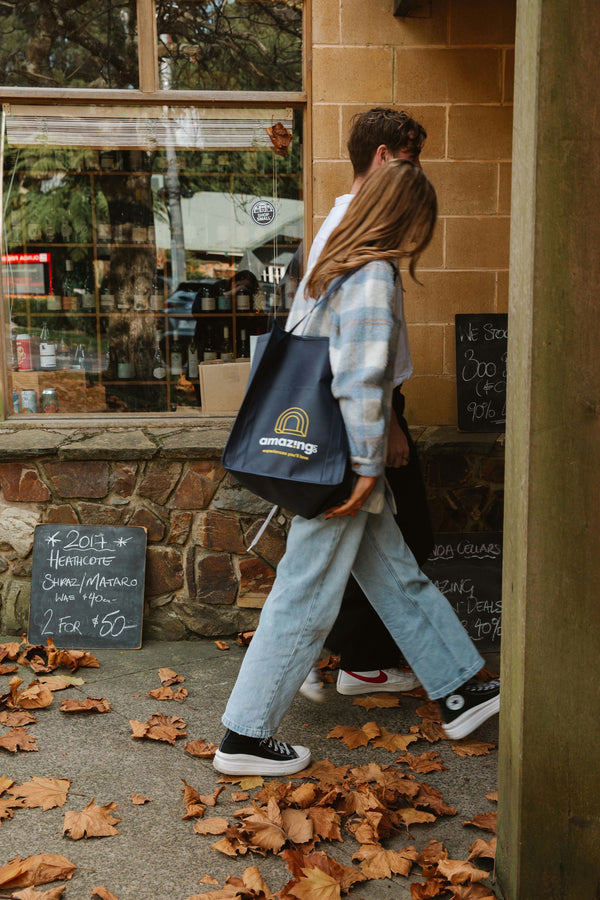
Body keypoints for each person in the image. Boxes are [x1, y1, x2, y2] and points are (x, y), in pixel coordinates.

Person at [213, 160, 500, 777]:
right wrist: (370, 468)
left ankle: (459, 688)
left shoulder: (329, 268)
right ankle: (245, 732)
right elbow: (360, 381)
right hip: (342, 463)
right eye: (423, 219)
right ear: (405, 215)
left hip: (327, 457)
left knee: (395, 573)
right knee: (306, 591)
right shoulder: (371, 274)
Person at [298, 108, 433, 702]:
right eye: (409, 159)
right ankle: (355, 662)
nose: (417, 173)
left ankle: (361, 662)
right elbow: (358, 363)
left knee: (376, 552)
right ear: (382, 158)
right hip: (361, 413)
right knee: (383, 548)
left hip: (348, 410)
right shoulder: (365, 248)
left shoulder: (344, 229)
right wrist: (379, 445)